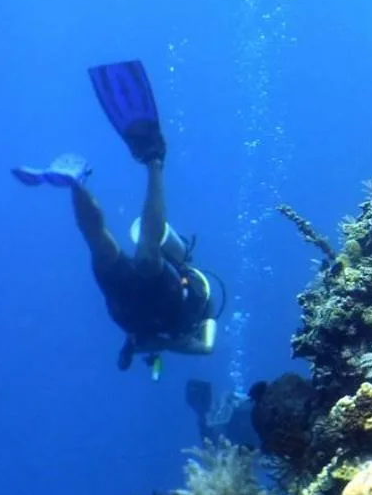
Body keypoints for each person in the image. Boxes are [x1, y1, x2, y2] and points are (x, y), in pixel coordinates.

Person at [13, 61, 218, 379]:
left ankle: (89, 179)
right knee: (122, 248)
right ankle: (136, 167)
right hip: (146, 306)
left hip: (130, 309)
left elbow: (182, 347)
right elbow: (205, 347)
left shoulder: (193, 296)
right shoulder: (202, 306)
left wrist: (143, 347)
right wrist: (159, 345)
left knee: (104, 243)